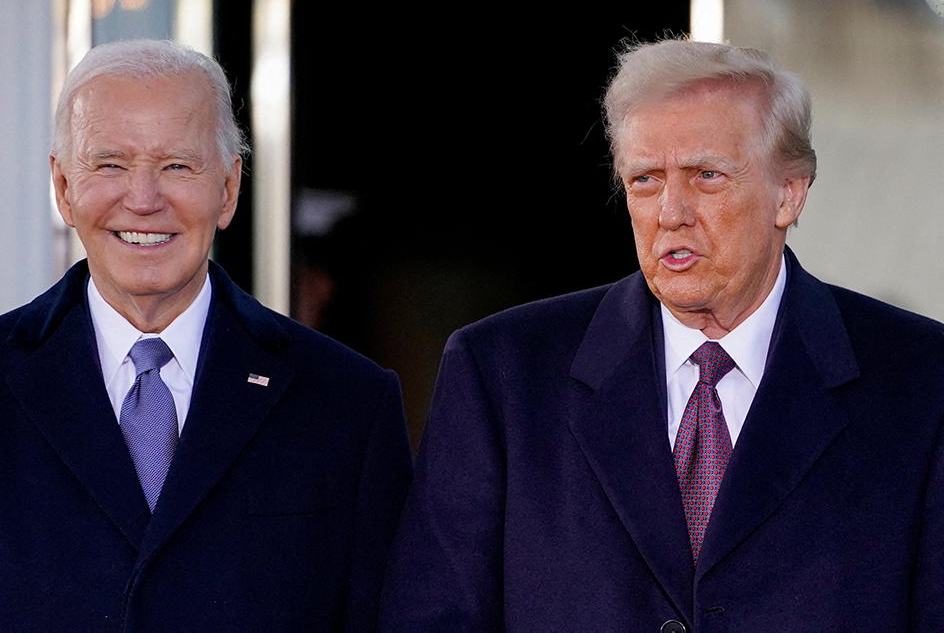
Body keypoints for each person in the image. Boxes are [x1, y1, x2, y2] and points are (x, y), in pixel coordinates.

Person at [378, 39, 944, 631]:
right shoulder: (503, 374)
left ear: (789, 193)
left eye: (706, 175)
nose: (671, 212)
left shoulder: (920, 382)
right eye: (645, 179)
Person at [0, 39, 412, 632]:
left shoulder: (349, 404)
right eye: (109, 164)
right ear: (63, 187)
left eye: (177, 166)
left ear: (228, 188)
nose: (142, 200)